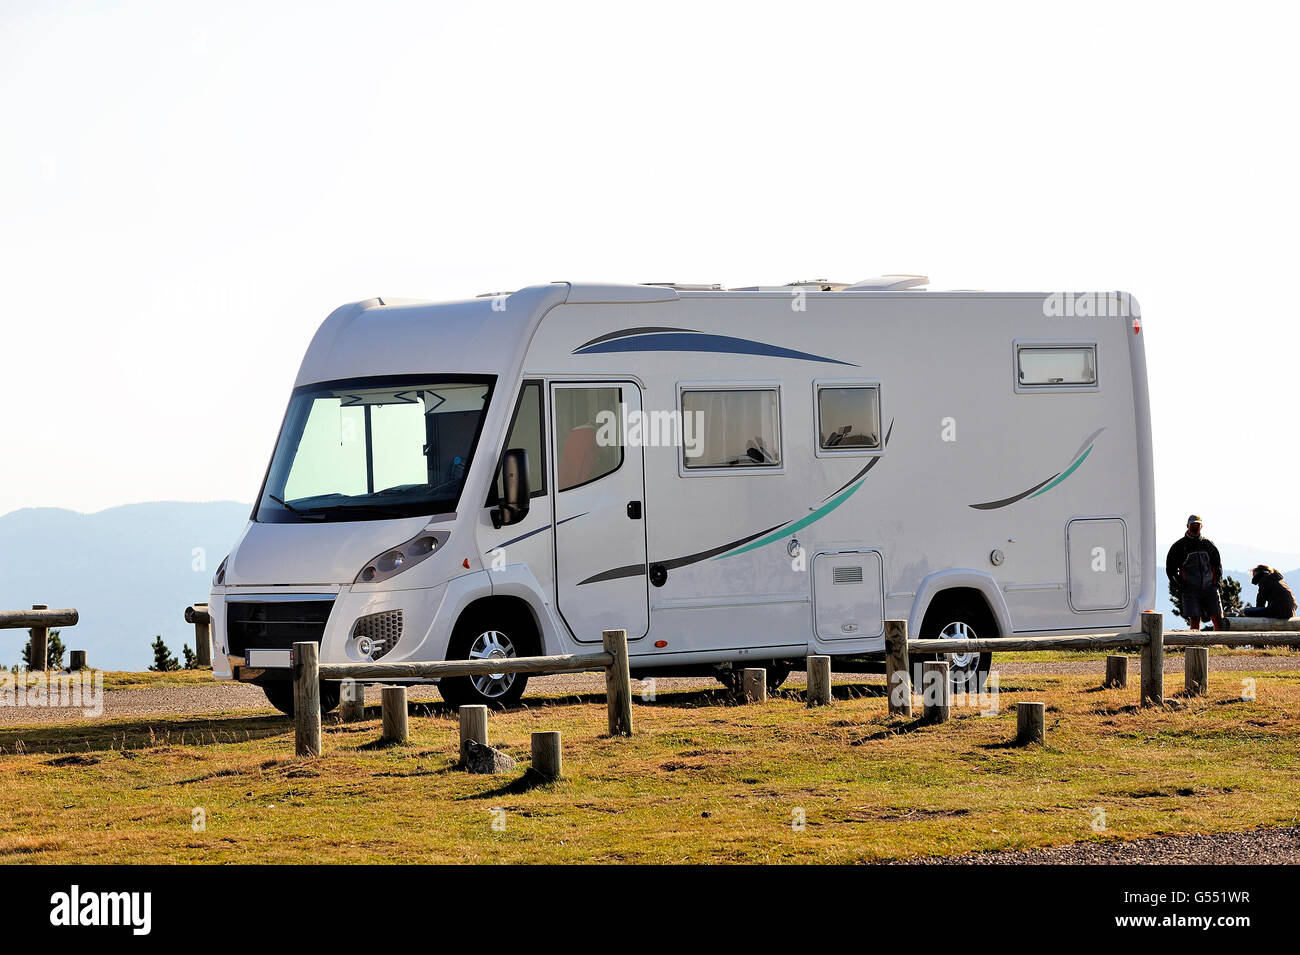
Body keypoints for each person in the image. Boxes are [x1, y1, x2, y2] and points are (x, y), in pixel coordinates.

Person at [1165, 515, 1225, 631]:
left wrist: (1217, 582)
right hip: (1190, 589)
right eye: (1193, 525)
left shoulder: (1208, 544)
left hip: (1210, 587)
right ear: (1187, 526)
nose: (1195, 527)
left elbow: (1217, 565)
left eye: (1197, 525)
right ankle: (1195, 644)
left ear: (1201, 526)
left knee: (1218, 617)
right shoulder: (1179, 546)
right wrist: (1180, 585)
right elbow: (1170, 569)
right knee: (1195, 618)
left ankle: (1220, 644)